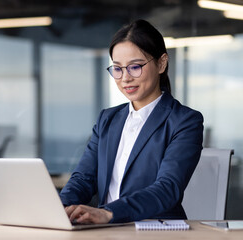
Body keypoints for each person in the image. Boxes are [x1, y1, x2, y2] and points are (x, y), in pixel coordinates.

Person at [59, 19, 204, 224]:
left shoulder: (185, 121)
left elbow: (167, 189)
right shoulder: (107, 119)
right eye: (117, 69)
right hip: (107, 231)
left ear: (161, 63)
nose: (125, 78)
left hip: (156, 231)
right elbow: (83, 178)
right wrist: (58, 209)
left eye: (135, 67)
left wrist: (109, 213)